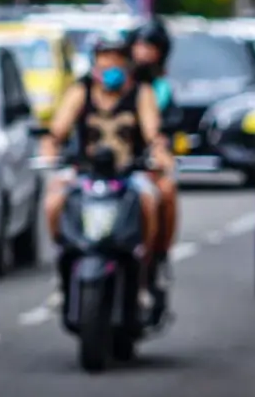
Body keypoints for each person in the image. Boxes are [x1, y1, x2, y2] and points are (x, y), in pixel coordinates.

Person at [40, 34, 172, 309]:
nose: (110, 66)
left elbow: (153, 134)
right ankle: (64, 269)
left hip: (128, 175)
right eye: (105, 60)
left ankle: (144, 276)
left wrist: (160, 153)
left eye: (116, 60)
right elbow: (56, 132)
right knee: (54, 202)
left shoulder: (141, 92)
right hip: (85, 174)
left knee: (149, 202)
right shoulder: (81, 91)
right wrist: (50, 149)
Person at [126, 19, 179, 262]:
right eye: (140, 45)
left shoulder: (159, 90)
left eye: (150, 46)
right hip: (109, 165)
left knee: (164, 192)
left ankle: (158, 254)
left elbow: (159, 132)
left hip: (143, 162)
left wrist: (160, 151)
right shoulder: (112, 86)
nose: (144, 52)